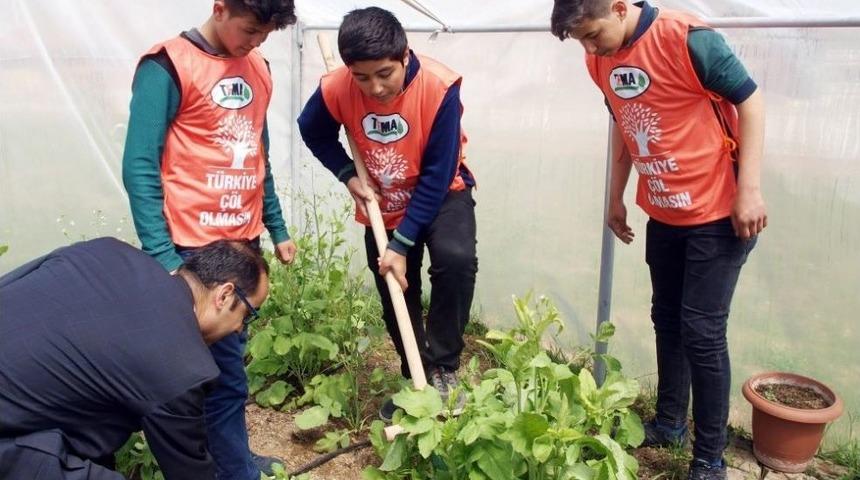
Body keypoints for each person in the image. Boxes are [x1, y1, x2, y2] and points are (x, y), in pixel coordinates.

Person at [550, 1, 767, 479]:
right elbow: (625, 124)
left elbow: (750, 101)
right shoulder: (600, 60)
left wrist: (749, 190)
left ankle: (710, 458)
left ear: (619, 7)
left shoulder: (687, 38)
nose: (589, 48)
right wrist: (615, 196)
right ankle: (670, 423)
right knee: (666, 318)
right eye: (581, 41)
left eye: (592, 34)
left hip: (717, 212)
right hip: (665, 211)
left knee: (703, 334)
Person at [121, 0, 296, 476]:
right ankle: (230, 468)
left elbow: (258, 158)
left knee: (225, 370)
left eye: (266, 35)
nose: (256, 42)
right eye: (251, 29)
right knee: (204, 378)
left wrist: (276, 226)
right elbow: (139, 165)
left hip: (242, 247)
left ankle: (227, 456)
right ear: (221, 7)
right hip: (190, 253)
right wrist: (163, 258)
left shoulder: (257, 68)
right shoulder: (167, 66)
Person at [297, 7, 478, 422]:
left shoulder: (438, 86)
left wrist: (402, 242)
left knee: (455, 260)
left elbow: (438, 172)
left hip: (441, 190)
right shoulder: (337, 88)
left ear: (404, 56)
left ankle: (444, 366)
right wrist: (346, 173)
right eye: (361, 77)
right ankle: (416, 373)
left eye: (384, 73)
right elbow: (313, 130)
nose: (374, 87)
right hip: (384, 200)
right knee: (396, 285)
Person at [0, 237, 270, 480]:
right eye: (247, 315)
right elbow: (190, 471)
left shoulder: (105, 251)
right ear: (224, 295)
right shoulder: (181, 365)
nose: (239, 328)